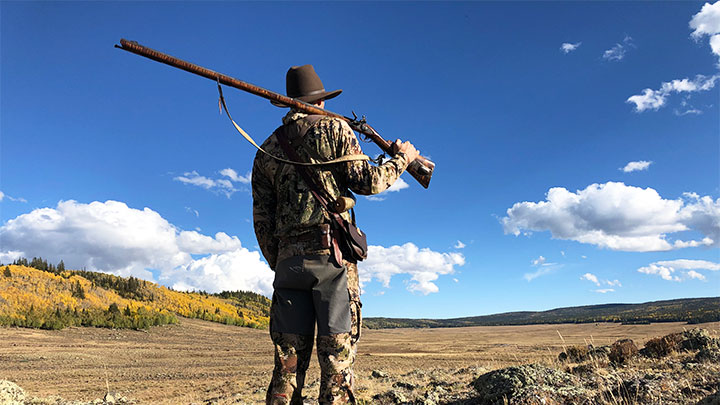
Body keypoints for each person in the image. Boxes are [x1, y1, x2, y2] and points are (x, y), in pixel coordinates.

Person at [252, 64, 419, 404]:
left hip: (287, 267)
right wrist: (403, 159)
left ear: (288, 103)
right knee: (336, 366)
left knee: (287, 367)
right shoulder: (335, 129)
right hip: (332, 263)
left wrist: (281, 258)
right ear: (321, 100)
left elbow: (262, 220)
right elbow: (369, 182)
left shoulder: (266, 149)